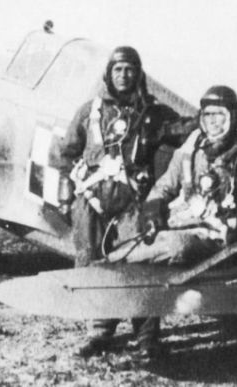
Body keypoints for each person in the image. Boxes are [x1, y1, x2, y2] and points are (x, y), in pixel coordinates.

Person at [106, 85, 237, 358]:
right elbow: (164, 186)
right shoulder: (191, 150)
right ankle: (136, 336)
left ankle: (121, 295)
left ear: (233, 117)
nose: (213, 121)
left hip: (219, 237)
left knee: (170, 249)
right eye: (207, 115)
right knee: (133, 241)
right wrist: (152, 212)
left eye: (219, 115)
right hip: (181, 224)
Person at [49, 46, 196, 359]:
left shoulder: (153, 116)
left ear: (138, 74)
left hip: (133, 204)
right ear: (108, 74)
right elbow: (63, 153)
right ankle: (99, 332)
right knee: (91, 264)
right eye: (118, 69)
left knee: (140, 266)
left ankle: (147, 337)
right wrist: (66, 194)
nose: (124, 75)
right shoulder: (89, 112)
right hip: (91, 203)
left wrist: (211, 115)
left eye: (130, 69)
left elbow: (183, 130)